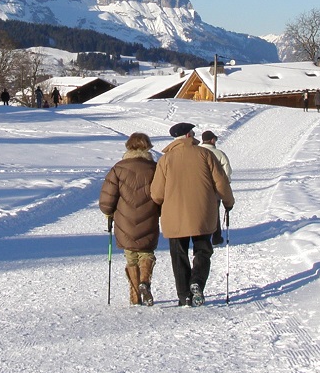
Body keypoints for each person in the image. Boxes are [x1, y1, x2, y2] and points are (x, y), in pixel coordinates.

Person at [150, 122, 234, 307]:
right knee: (202, 250)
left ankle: (184, 295)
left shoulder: (165, 160)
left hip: (174, 215)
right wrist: (228, 202)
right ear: (188, 135)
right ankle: (197, 282)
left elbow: (156, 193)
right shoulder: (205, 154)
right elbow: (221, 182)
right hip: (203, 212)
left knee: (178, 254)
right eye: (193, 133)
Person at [99, 132, 161, 306]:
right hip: (148, 217)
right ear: (147, 147)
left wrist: (108, 212)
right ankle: (145, 282)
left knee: (131, 257)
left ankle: (135, 296)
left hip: (124, 220)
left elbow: (107, 198)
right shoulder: (154, 168)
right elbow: (161, 193)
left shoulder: (118, 169)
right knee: (147, 253)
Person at [199, 130, 232, 245]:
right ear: (212, 140)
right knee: (214, 213)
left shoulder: (197, 152)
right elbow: (226, 172)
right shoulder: (219, 154)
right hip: (214, 190)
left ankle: (200, 237)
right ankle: (216, 237)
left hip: (198, 189)